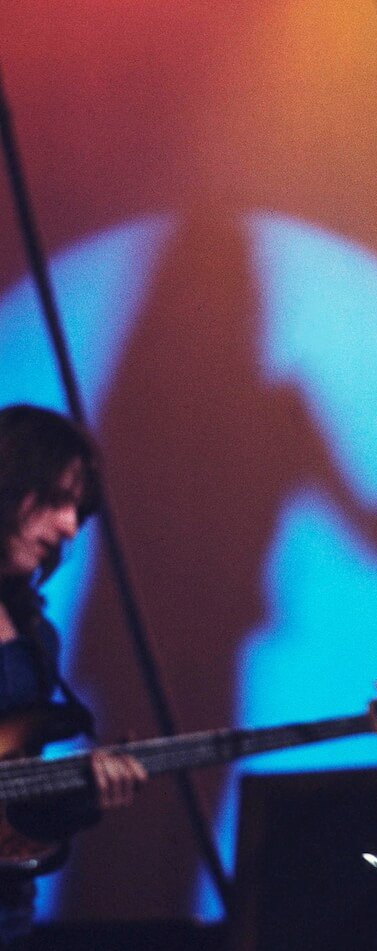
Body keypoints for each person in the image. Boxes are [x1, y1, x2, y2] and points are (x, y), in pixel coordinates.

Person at [0, 404, 147, 947]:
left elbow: (16, 811)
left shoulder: (37, 635)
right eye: (59, 500)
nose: (68, 526)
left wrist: (82, 795)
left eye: (77, 511)